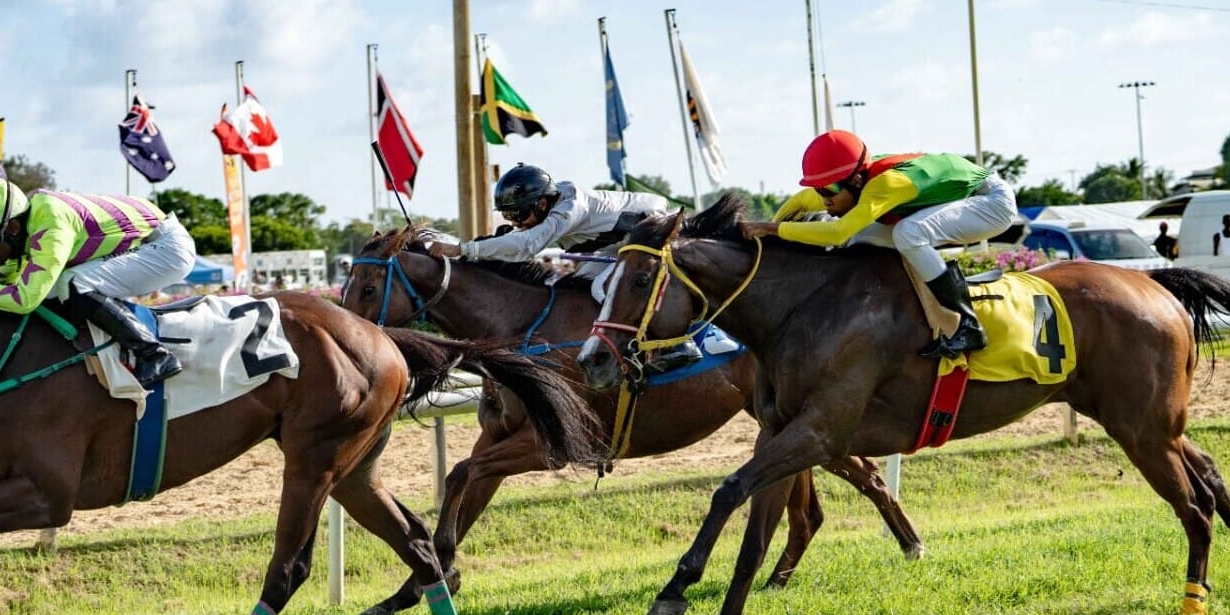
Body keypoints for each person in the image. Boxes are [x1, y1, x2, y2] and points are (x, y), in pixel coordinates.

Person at [748, 130, 1016, 358]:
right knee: (861, 236)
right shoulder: (850, 182)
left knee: (908, 233)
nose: (823, 198)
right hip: (960, 199)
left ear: (856, 180)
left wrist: (773, 229)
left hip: (992, 202)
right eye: (819, 189)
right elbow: (799, 202)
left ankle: (969, 326)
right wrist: (767, 234)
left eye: (828, 190)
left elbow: (837, 232)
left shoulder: (886, 184)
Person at [0, 178, 195, 384]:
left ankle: (154, 354)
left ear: (13, 228)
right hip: (145, 245)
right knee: (60, 286)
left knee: (71, 282)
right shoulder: (27, 228)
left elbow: (23, 300)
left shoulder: (51, 223)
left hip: (167, 248)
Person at [427, 164, 694, 365]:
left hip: (651, 229)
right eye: (508, 215)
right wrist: (464, 251)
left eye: (518, 214)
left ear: (542, 203)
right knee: (581, 288)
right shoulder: (549, 205)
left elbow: (526, 246)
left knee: (603, 288)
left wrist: (463, 249)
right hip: (616, 246)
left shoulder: (569, 209)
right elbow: (515, 241)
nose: (515, 222)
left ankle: (674, 343)